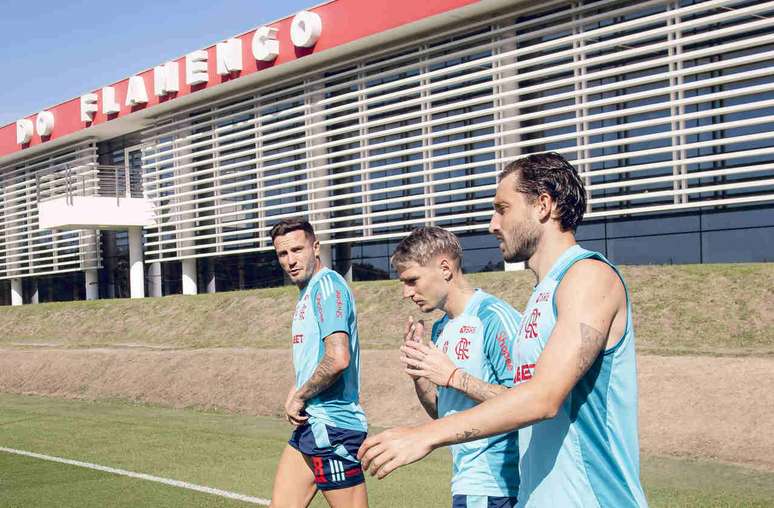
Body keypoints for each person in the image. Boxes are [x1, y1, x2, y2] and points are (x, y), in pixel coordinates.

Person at [358, 153, 648, 507]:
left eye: (503, 208)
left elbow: (543, 398)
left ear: (543, 205)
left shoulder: (588, 277)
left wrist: (427, 434)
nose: (493, 224)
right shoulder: (542, 294)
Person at [392, 226, 522, 508]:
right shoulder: (441, 328)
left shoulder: (493, 318)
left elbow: (527, 402)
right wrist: (420, 375)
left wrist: (453, 376)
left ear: (445, 268)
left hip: (500, 487)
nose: (406, 292)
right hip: (467, 483)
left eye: (412, 280)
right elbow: (443, 412)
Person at [269, 217, 368, 508]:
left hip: (334, 426)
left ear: (316, 247)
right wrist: (295, 391)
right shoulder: (308, 292)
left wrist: (300, 394)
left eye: (297, 250)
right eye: (282, 254)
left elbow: (337, 358)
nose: (290, 260)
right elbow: (315, 358)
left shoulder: (328, 287)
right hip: (311, 424)